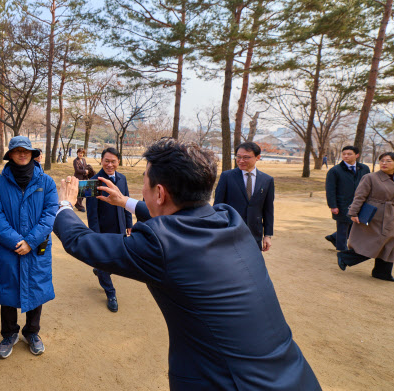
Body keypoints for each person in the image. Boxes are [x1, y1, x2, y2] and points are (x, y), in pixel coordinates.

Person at [54, 139, 321, 391]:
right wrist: (124, 201)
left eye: (145, 182)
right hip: (296, 376)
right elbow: (178, 220)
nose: (143, 190)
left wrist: (65, 203)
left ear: (160, 192)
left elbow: (81, 242)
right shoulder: (229, 218)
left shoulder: (159, 245)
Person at [0, 136, 58, 359]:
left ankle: (32, 332)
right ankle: (9, 333)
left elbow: (50, 214)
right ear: (10, 154)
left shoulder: (46, 182)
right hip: (9, 248)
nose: (22, 154)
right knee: (7, 291)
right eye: (17, 151)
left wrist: (31, 242)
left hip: (36, 248)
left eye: (26, 151)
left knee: (36, 288)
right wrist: (17, 242)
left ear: (32, 154)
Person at [337, 152, 394, 282]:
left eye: (388, 161)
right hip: (374, 215)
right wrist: (353, 212)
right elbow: (359, 196)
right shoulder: (370, 177)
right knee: (376, 242)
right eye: (382, 161)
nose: (384, 163)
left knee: (390, 243)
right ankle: (346, 257)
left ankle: (382, 272)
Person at [85, 147, 131, 312]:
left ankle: (99, 270)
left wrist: (129, 224)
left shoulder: (122, 179)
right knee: (103, 260)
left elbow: (126, 202)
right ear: (101, 161)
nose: (110, 165)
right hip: (102, 231)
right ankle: (111, 293)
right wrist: (95, 235)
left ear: (118, 161)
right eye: (106, 161)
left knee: (115, 260)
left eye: (113, 161)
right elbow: (91, 213)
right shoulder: (92, 182)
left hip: (120, 229)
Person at [214, 141, 275, 251]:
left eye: (246, 157)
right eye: (238, 157)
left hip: (254, 235)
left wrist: (267, 235)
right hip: (230, 233)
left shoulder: (267, 180)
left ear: (258, 157)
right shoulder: (226, 177)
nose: (241, 161)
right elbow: (218, 206)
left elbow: (268, 210)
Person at [324, 146, 370, 250]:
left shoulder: (364, 168)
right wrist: (333, 205)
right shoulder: (334, 170)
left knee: (355, 226)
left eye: (349, 154)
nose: (346, 156)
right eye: (344, 154)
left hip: (360, 203)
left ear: (357, 155)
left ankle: (334, 237)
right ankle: (342, 250)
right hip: (342, 203)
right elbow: (330, 189)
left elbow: (369, 185)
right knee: (343, 227)